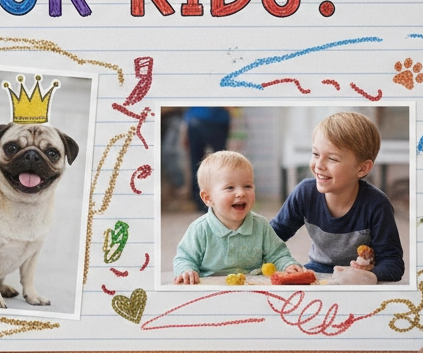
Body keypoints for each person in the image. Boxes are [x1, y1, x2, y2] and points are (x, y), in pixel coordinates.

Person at [270, 112, 405, 282]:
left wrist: (367, 275)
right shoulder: (305, 193)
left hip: (358, 277)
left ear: (362, 168)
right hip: (316, 270)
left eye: (332, 159)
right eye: (315, 154)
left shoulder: (377, 205)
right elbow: (271, 237)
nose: (318, 165)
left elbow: (393, 263)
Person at [172, 151, 304, 284]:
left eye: (247, 186)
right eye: (230, 188)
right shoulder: (200, 229)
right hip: (211, 289)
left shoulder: (261, 226)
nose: (241, 193)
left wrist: (288, 265)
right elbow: (184, 258)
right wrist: (186, 270)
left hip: (252, 286)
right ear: (208, 198)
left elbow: (277, 254)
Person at [183, 106, 231, 211]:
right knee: (221, 162)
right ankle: (218, 200)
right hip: (215, 118)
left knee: (197, 161)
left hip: (198, 117)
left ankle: (202, 203)